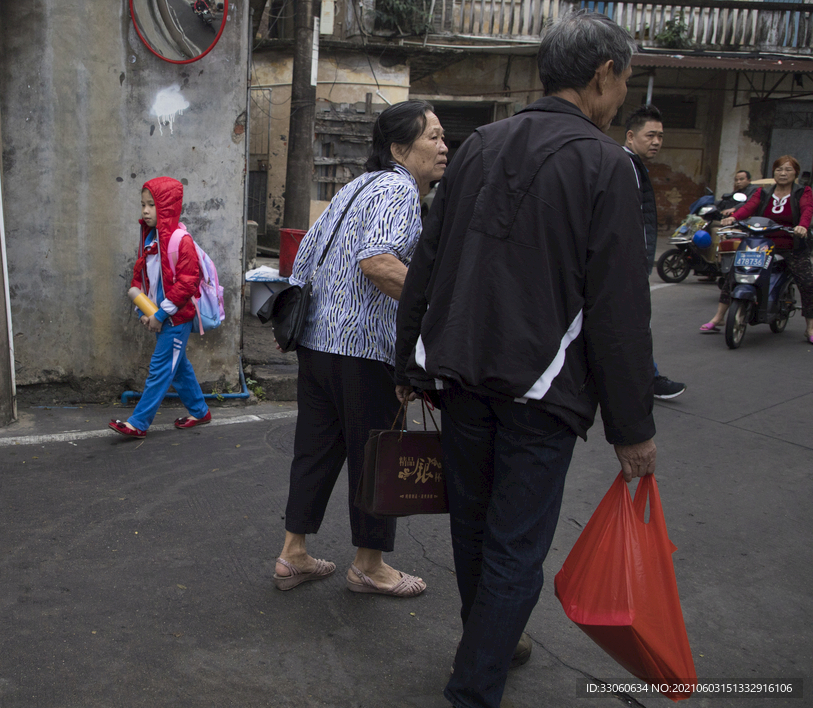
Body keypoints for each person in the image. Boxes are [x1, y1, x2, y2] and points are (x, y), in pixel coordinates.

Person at [394, 11, 656, 708]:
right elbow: (620, 311)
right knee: (514, 546)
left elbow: (429, 261)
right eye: (625, 80)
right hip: (542, 392)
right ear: (603, 74)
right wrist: (632, 427)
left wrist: (409, 361)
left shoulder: (480, 144)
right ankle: (473, 687)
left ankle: (493, 638)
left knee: (476, 530)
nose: (623, 95)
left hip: (463, 376)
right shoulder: (607, 165)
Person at [271, 100, 448, 597]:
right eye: (432, 137)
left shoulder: (352, 187)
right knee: (378, 457)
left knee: (315, 451)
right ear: (399, 148)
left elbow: (303, 263)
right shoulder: (397, 188)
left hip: (317, 344)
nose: (443, 146)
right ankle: (370, 565)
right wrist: (435, 308)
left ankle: (293, 553)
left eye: (441, 136)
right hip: (364, 350)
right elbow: (377, 262)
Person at [108, 177, 210, 439]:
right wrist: (143, 312)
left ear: (166, 207)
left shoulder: (180, 241)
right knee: (179, 368)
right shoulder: (150, 239)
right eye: (142, 204)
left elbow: (188, 284)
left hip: (176, 320)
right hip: (159, 317)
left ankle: (138, 423)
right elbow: (139, 277)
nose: (145, 210)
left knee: (161, 369)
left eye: (151, 205)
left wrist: (160, 314)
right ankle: (200, 411)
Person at [700, 155, 813, 343]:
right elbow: (748, 207)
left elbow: (807, 210)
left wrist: (802, 226)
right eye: (779, 169)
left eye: (788, 170)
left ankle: (810, 326)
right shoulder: (764, 193)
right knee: (734, 273)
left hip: (791, 245)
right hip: (762, 244)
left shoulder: (803, 192)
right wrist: (733, 218)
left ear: (796, 174)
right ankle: (719, 317)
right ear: (773, 172)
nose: (783, 173)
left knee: (808, 282)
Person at [622, 105, 687, 400]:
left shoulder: (636, 166)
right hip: (624, 266)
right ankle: (649, 379)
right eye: (651, 135)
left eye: (660, 136)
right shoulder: (623, 166)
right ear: (631, 136)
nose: (657, 141)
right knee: (636, 326)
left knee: (631, 325)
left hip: (633, 263)